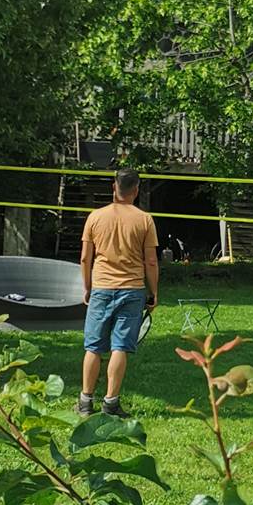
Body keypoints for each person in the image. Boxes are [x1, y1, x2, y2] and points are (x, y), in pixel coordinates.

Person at [78, 169, 159, 418]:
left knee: (93, 347)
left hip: (101, 287)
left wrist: (88, 287)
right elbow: (151, 262)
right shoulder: (144, 219)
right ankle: (111, 403)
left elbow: (85, 258)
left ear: (114, 188)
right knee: (120, 347)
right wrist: (153, 293)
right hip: (132, 289)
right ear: (135, 190)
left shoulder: (95, 217)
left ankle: (84, 402)